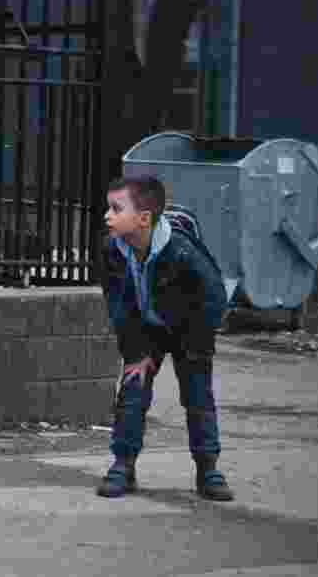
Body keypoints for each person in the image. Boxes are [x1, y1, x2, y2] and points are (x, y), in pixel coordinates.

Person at [97, 175, 234, 501]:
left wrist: (194, 342)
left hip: (189, 330)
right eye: (108, 208)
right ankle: (122, 466)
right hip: (145, 328)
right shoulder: (112, 249)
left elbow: (214, 299)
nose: (107, 215)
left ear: (143, 219)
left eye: (116, 209)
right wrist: (136, 350)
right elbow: (118, 304)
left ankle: (208, 469)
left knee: (197, 397)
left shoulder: (182, 251)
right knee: (132, 391)